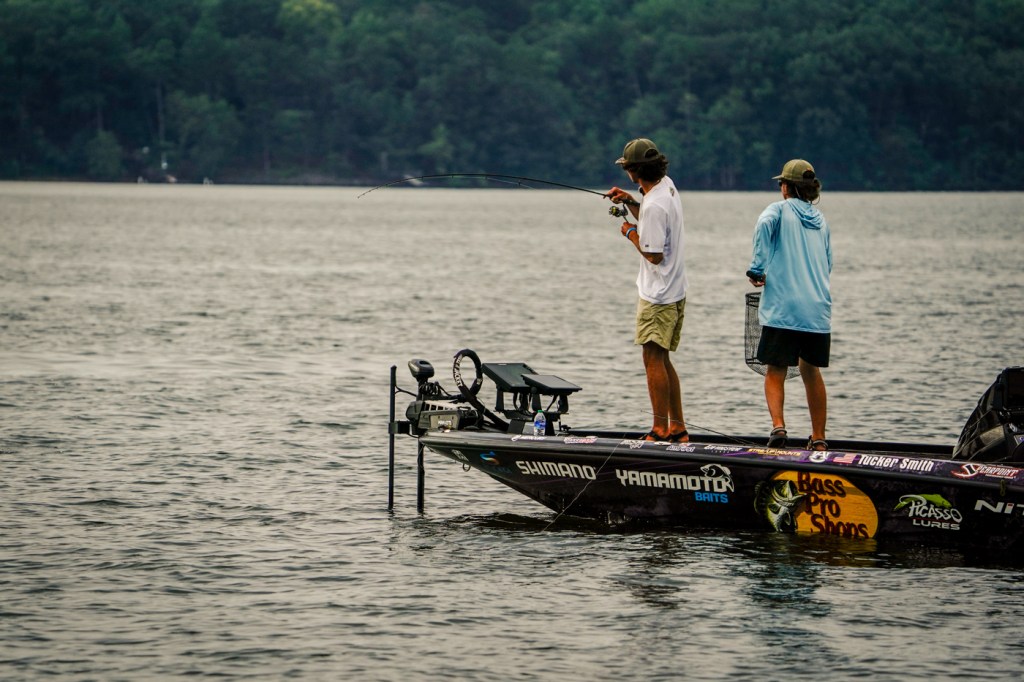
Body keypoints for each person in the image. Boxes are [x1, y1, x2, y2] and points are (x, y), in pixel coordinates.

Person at [606, 138, 689, 442]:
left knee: (653, 360)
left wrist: (630, 232)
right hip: (675, 289)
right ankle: (678, 429)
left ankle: (660, 430)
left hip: (658, 296)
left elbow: (653, 254)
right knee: (662, 360)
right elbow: (654, 221)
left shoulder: (653, 205)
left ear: (634, 170)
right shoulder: (666, 186)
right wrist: (630, 202)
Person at [746, 159, 832, 451]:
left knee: (775, 370)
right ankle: (818, 438)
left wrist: (757, 268)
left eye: (781, 182)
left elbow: (763, 225)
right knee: (811, 372)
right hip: (816, 310)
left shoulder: (778, 210)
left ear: (787, 187)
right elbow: (828, 263)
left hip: (783, 308)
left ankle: (779, 427)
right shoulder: (821, 221)